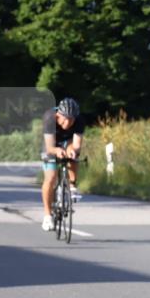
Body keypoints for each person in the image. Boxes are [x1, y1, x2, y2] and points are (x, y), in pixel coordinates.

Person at [40, 98, 84, 231]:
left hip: (67, 141)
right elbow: (49, 147)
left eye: (72, 119)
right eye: (66, 119)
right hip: (52, 144)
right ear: (58, 115)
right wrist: (57, 151)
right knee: (51, 177)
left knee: (74, 154)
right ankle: (47, 216)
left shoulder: (79, 120)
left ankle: (72, 186)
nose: (69, 122)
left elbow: (76, 144)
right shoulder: (50, 118)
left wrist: (73, 152)